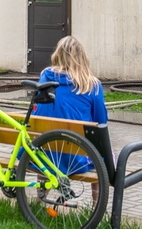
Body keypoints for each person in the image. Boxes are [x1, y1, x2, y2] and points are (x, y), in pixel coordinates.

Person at [32, 35, 107, 198]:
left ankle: (41, 198)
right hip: (76, 159)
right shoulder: (92, 85)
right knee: (104, 153)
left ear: (57, 54)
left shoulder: (45, 77)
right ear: (82, 57)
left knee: (45, 142)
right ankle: (97, 206)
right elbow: (101, 122)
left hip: (40, 155)